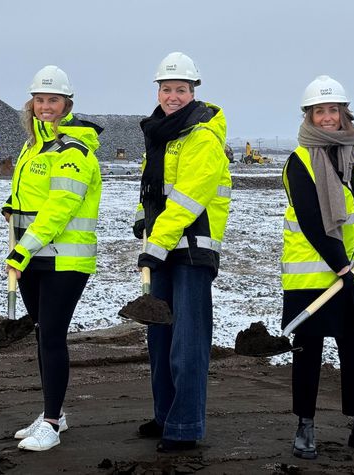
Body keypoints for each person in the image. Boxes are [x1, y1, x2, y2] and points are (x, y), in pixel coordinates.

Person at [280, 75, 354, 459]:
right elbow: (313, 219)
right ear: (309, 116)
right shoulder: (299, 161)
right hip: (312, 274)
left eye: (333, 109)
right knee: (308, 349)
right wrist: (338, 264)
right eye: (320, 111)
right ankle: (305, 426)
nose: (328, 117)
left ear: (344, 112)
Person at [132, 52, 231, 452]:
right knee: (160, 336)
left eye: (181, 89)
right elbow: (153, 189)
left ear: (194, 92)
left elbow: (188, 200)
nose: (173, 96)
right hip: (164, 249)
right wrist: (143, 219)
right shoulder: (160, 133)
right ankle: (165, 415)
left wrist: (154, 247)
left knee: (186, 342)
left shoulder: (202, 135)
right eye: (167, 88)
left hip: (191, 251)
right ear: (158, 90)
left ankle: (185, 426)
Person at [3, 65, 102, 452]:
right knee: (44, 333)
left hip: (64, 259)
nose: (46, 106)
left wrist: (21, 251)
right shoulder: (33, 147)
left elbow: (61, 206)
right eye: (40, 100)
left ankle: (50, 422)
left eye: (53, 100)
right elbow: (31, 196)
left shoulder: (73, 151)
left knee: (53, 336)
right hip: (34, 256)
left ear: (67, 104)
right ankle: (54, 413)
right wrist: (13, 205)